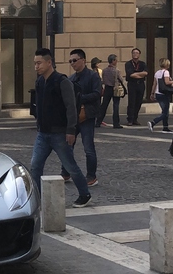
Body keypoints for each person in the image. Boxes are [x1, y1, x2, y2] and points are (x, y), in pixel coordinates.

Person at [30, 48, 92, 208]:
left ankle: (84, 194)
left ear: (49, 62)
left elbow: (71, 107)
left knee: (70, 166)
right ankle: (37, 198)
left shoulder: (62, 81)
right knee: (35, 165)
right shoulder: (39, 82)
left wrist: (71, 130)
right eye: (35, 63)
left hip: (60, 134)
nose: (36, 66)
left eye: (39, 63)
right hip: (43, 134)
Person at [61, 49, 102, 188]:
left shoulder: (93, 76)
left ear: (83, 60)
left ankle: (91, 176)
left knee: (88, 147)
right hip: (73, 118)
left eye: (74, 60)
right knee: (67, 145)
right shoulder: (71, 78)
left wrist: (79, 99)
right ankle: (65, 172)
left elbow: (97, 94)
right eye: (70, 61)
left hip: (87, 116)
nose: (72, 63)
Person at [96, 54, 126, 129]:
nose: (117, 61)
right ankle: (116, 123)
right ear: (113, 61)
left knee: (104, 105)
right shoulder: (116, 71)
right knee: (116, 106)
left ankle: (98, 122)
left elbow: (103, 79)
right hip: (115, 89)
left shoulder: (104, 70)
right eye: (115, 60)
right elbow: (121, 80)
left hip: (107, 88)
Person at [148, 58, 173, 134]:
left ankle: (165, 127)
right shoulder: (166, 72)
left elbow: (154, 84)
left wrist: (152, 93)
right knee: (165, 112)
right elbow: (167, 82)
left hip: (158, 93)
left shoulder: (157, 73)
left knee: (164, 111)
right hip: (164, 93)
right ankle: (153, 122)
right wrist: (172, 82)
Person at [125, 48, 148, 126]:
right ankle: (130, 119)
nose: (135, 54)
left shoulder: (142, 64)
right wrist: (139, 75)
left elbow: (145, 73)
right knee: (132, 102)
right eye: (134, 53)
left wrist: (136, 74)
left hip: (140, 84)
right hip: (132, 84)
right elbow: (130, 74)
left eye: (137, 53)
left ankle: (135, 118)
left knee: (139, 102)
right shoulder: (128, 64)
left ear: (139, 54)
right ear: (132, 54)